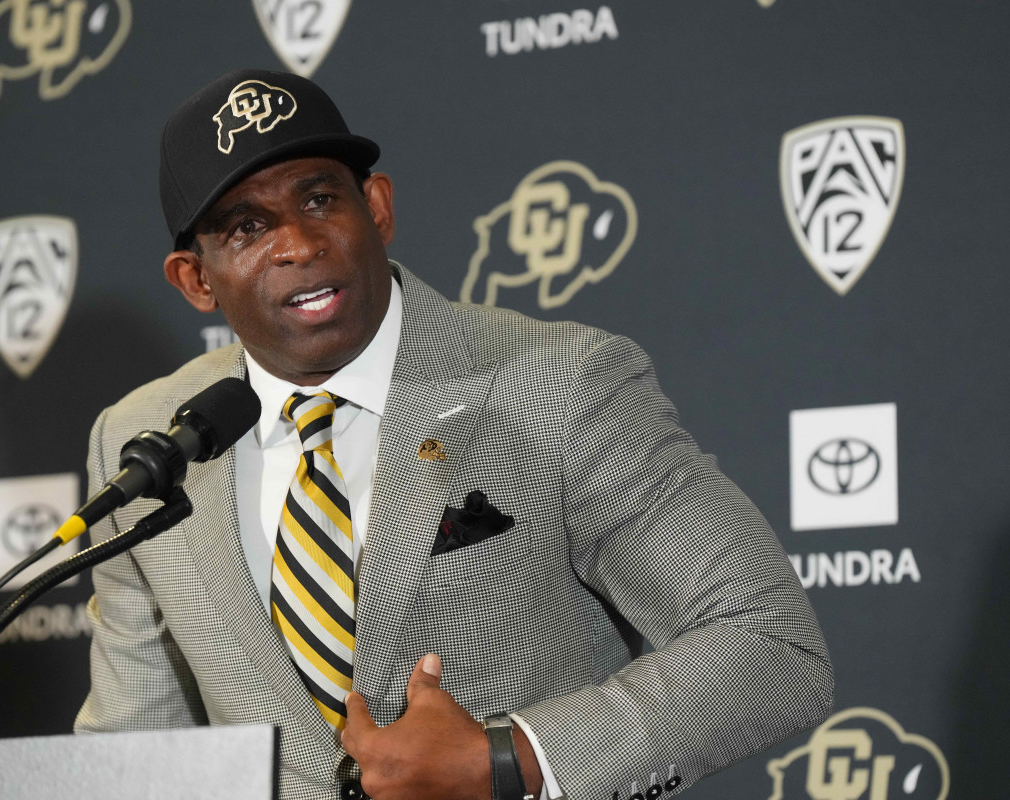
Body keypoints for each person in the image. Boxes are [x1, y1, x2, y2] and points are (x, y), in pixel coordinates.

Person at [74, 67, 833, 800]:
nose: (299, 244)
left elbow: (768, 641)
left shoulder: (561, 382)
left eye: (319, 199)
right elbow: (138, 753)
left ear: (376, 207)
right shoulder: (144, 443)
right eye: (247, 226)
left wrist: (512, 759)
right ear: (195, 280)